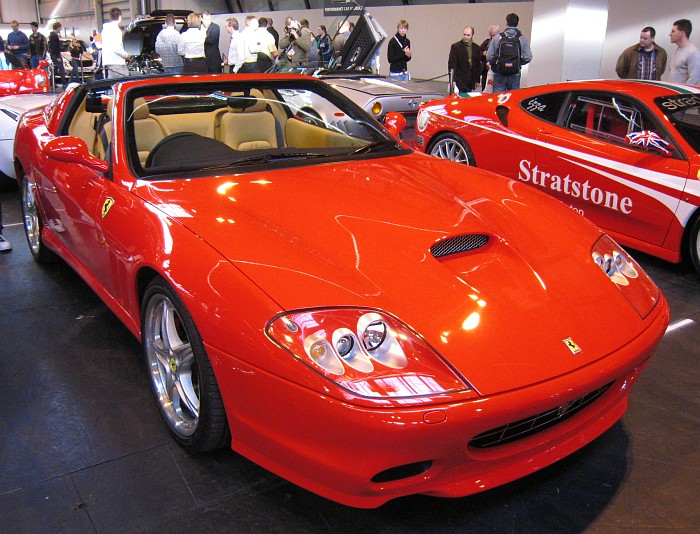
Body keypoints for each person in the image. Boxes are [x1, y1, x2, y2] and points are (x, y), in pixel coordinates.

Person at [486, 13, 533, 92]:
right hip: (515, 74)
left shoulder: (498, 38)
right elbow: (528, 57)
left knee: (498, 98)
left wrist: (496, 63)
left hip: (499, 72)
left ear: (506, 22)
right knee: (513, 97)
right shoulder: (521, 39)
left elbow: (489, 56)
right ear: (517, 23)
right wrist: (518, 62)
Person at [449, 26, 482, 93]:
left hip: (471, 80)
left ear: (472, 35)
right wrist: (452, 80)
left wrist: (477, 80)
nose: (466, 37)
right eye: (465, 35)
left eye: (468, 35)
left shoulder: (476, 48)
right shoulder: (456, 47)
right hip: (459, 79)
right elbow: (452, 64)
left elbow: (477, 65)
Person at [102, 7, 131, 78]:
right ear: (120, 16)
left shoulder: (105, 30)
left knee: (112, 86)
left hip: (109, 63)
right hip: (117, 63)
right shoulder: (116, 30)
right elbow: (117, 48)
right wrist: (126, 55)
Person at [669, 19, 700, 86]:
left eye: (673, 31)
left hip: (680, 95)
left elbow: (693, 79)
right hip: (671, 93)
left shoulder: (693, 52)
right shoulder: (676, 51)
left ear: (681, 33)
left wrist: (682, 95)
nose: (670, 34)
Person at [479, 24, 499, 91]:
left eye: (494, 35)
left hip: (497, 72)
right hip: (486, 71)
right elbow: (478, 53)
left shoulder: (502, 43)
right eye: (491, 35)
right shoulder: (486, 42)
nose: (493, 37)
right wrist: (483, 53)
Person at [48, 22, 66, 86]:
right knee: (61, 68)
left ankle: (51, 82)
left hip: (53, 54)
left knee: (55, 68)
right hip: (55, 55)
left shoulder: (52, 35)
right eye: (60, 27)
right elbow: (55, 47)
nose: (60, 29)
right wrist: (58, 56)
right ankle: (64, 82)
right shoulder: (54, 36)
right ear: (57, 27)